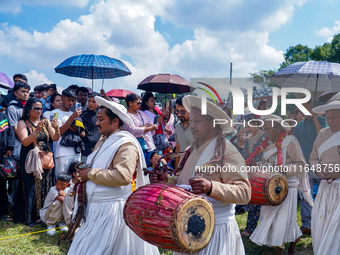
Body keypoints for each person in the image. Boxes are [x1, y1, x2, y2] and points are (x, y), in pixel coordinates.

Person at [151, 95, 251, 255]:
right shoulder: (191, 149)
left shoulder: (227, 152)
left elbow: (244, 193)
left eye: (198, 121)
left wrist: (211, 187)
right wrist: (166, 182)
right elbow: (182, 179)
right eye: (192, 121)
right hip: (188, 229)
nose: (192, 126)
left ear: (213, 124)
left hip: (216, 232)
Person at [67, 96, 159, 255]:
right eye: (97, 119)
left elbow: (122, 177)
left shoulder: (125, 144)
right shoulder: (104, 140)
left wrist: (90, 173)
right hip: (98, 210)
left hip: (112, 212)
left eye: (101, 119)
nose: (96, 123)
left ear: (115, 121)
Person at [250, 114, 311, 255]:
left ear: (278, 128)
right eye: (264, 129)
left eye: (269, 129)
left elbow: (301, 165)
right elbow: (268, 164)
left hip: (287, 187)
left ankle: (280, 250)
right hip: (271, 188)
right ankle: (293, 241)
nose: (266, 132)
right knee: (276, 220)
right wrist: (255, 165)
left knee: (282, 220)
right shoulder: (268, 143)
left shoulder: (290, 142)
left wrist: (284, 169)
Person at [16, 98, 60, 226]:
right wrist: (36, 131)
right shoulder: (23, 122)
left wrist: (57, 129)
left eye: (41, 108)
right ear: (28, 109)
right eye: (36, 108)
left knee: (45, 185)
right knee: (31, 187)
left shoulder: (45, 122)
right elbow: (25, 142)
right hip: (31, 159)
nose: (39, 111)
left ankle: (43, 215)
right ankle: (29, 217)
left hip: (45, 158)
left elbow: (55, 138)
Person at [309, 99, 340, 255]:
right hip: (325, 188)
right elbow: (313, 158)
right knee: (322, 223)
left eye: (334, 117)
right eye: (327, 117)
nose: (330, 121)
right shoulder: (322, 133)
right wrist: (317, 169)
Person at [296, 100, 328, 235]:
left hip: (322, 164)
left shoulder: (322, 120)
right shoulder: (300, 125)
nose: (303, 110)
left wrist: (315, 120)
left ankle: (325, 222)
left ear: (311, 107)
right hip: (306, 165)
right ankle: (307, 224)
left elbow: (324, 137)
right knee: (305, 195)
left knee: (326, 194)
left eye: (305, 107)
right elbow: (299, 143)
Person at [241, 114, 266, 237]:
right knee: (253, 199)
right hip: (251, 171)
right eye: (245, 127)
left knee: (262, 200)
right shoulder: (249, 138)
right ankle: (250, 228)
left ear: (256, 124)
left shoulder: (263, 137)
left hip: (263, 170)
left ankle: (260, 229)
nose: (247, 129)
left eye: (249, 126)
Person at [52, 89, 82, 177]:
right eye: (69, 100)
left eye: (73, 100)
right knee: (62, 180)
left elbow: (79, 132)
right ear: (62, 98)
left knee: (75, 180)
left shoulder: (75, 114)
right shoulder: (55, 113)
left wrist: (67, 125)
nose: (71, 103)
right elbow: (59, 131)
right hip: (62, 153)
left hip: (76, 152)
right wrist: (71, 119)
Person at [124, 93, 157, 166]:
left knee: (152, 168)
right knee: (140, 169)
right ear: (130, 103)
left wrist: (143, 127)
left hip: (150, 145)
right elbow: (132, 130)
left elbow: (150, 122)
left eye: (140, 103)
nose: (139, 105)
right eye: (137, 103)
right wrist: (146, 127)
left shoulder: (141, 113)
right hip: (137, 147)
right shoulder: (126, 116)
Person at [0, 111, 15, 222]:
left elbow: (9, 132)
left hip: (2, 155)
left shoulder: (3, 116)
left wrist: (10, 148)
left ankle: (4, 213)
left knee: (1, 187)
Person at [80, 92, 101, 162]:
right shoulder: (82, 115)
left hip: (98, 149)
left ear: (98, 103)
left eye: (94, 102)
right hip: (85, 149)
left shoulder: (102, 116)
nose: (91, 104)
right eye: (89, 101)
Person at [174, 95, 194, 167]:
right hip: (182, 166)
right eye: (177, 111)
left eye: (182, 112)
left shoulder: (197, 126)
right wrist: (176, 169)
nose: (179, 114)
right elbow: (178, 148)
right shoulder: (177, 126)